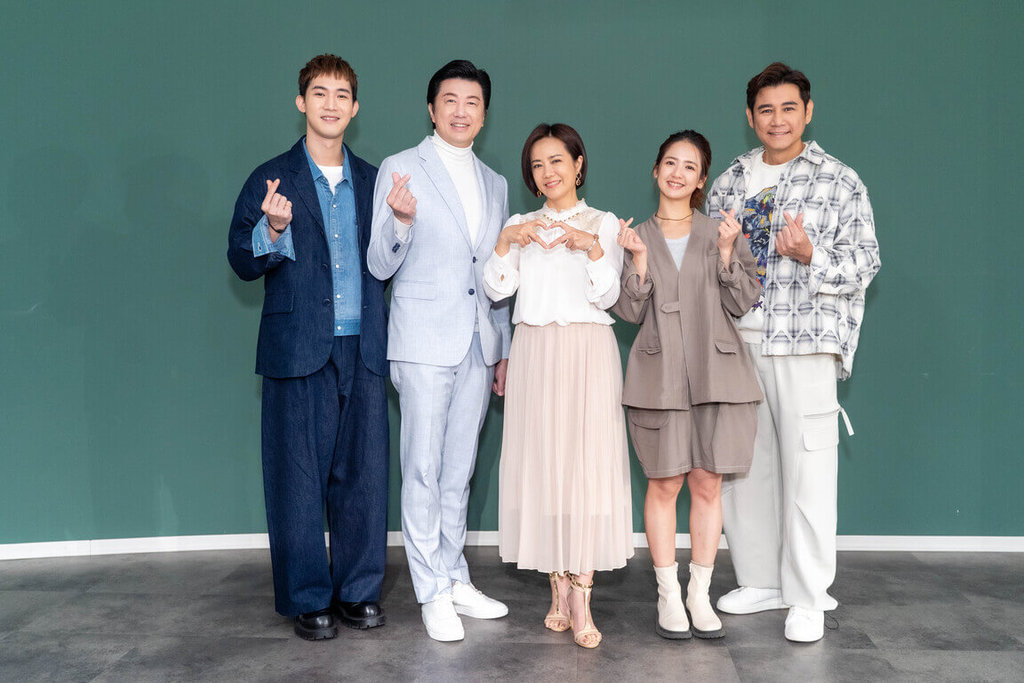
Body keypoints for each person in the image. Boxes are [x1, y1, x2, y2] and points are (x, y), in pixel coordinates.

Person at [706, 62, 881, 642]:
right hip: (739, 343)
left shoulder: (839, 180)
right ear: (749, 115)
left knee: (808, 472)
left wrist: (811, 255)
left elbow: (866, 262)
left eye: (788, 108)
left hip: (804, 343)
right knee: (745, 467)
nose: (776, 120)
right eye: (765, 109)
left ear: (807, 112)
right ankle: (761, 580)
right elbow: (709, 263)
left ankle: (807, 595)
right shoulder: (729, 181)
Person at [226, 55, 389, 640]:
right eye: (319, 93)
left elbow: (392, 259)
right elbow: (240, 260)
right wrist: (271, 229)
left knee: (364, 476)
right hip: (296, 349)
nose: (330, 103)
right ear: (301, 102)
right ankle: (308, 597)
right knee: (296, 478)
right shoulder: (271, 178)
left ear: (355, 108)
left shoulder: (376, 181)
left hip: (364, 347)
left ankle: (359, 591)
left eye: (342, 94)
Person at [367, 60, 511, 643]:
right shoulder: (401, 167)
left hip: (479, 342)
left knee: (458, 471)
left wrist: (501, 348)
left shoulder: (496, 182)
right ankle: (430, 591)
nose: (460, 111)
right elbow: (379, 263)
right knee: (422, 470)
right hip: (423, 341)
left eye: (472, 102)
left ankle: (454, 577)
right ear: (432, 109)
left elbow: (496, 271)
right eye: (449, 100)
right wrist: (400, 222)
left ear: (484, 113)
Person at [484, 123, 634, 649]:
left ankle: (583, 596)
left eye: (557, 161)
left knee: (586, 468)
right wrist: (505, 242)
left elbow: (609, 295)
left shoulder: (604, 223)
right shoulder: (520, 224)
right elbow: (497, 289)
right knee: (544, 465)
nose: (548, 172)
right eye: (537, 164)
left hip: (587, 352)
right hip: (534, 351)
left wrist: (592, 248)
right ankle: (557, 591)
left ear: (578, 164)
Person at [613, 130, 763, 641]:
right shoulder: (634, 237)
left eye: (690, 166)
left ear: (701, 180)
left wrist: (726, 254)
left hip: (718, 376)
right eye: (670, 163)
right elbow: (629, 311)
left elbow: (742, 301)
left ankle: (699, 593)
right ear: (656, 170)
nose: (678, 173)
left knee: (707, 484)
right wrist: (637, 264)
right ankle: (667, 595)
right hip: (658, 380)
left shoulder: (722, 231)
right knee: (663, 484)